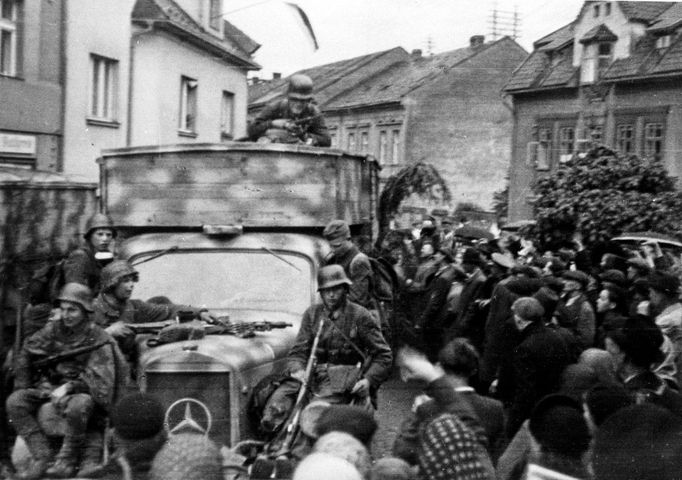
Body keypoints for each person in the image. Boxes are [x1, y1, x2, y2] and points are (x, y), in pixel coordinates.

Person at [6, 283, 128, 480]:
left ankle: (67, 460)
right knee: (15, 401)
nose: (66, 315)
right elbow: (27, 352)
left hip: (85, 393)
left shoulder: (98, 337)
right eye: (62, 309)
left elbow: (102, 381)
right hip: (50, 388)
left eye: (72, 310)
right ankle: (41, 455)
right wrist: (27, 385)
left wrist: (70, 386)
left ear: (85, 310)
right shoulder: (53, 330)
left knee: (79, 404)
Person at [263, 265, 392, 442]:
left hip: (341, 379)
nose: (331, 295)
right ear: (321, 292)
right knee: (276, 403)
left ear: (345, 289)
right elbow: (297, 352)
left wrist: (368, 380)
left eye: (336, 289)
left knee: (316, 415)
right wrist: (297, 370)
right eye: (326, 291)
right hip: (310, 375)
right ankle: (274, 443)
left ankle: (298, 448)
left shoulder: (360, 316)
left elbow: (384, 355)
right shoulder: (312, 314)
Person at [91, 260, 217, 360]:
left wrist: (200, 312)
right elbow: (75, 347)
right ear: (112, 284)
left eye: (132, 280)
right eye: (125, 281)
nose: (131, 285)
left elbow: (170, 310)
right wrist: (107, 332)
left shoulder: (134, 307)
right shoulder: (90, 310)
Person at [505, 297, 571, 438]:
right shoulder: (557, 337)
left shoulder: (525, 348)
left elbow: (525, 391)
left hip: (531, 412)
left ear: (520, 321)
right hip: (552, 405)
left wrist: (512, 425)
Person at [247, 74, 331, 147]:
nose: (298, 104)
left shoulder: (313, 112)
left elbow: (326, 140)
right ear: (289, 98)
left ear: (308, 100)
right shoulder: (276, 107)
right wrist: (273, 123)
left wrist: (303, 135)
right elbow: (251, 130)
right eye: (295, 100)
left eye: (303, 101)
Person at [323, 220, 376, 313]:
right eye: (330, 246)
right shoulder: (334, 258)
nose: (333, 250)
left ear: (348, 239)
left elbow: (357, 301)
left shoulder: (358, 261)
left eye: (337, 246)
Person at [63, 212, 118, 295]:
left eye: (108, 235)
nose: (105, 238)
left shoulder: (105, 256)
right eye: (100, 234)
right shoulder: (80, 256)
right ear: (90, 236)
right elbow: (73, 291)